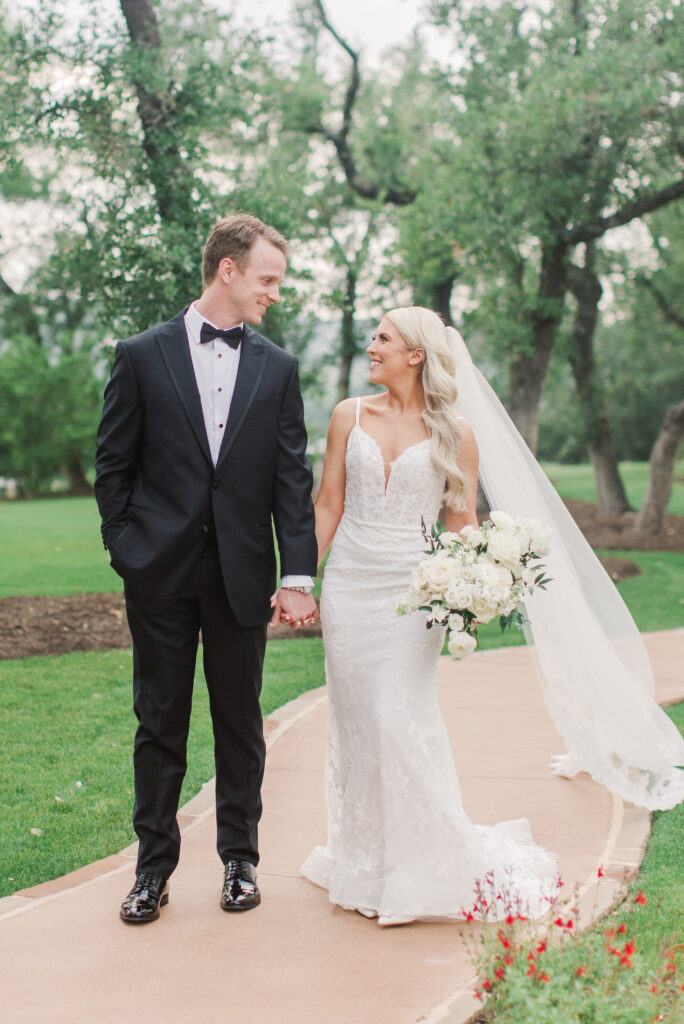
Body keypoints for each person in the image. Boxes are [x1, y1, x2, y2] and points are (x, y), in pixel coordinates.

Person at [301, 305, 684, 926]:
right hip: (350, 586)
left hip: (414, 591)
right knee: (357, 723)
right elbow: (328, 502)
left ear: (416, 354)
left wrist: (469, 586)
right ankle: (364, 859)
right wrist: (297, 581)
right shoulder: (349, 414)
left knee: (397, 717)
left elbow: (460, 520)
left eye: (384, 338)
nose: (371, 346)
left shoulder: (456, 430)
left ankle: (431, 861)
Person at [95, 213, 318, 924]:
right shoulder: (139, 354)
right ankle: (151, 870)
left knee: (239, 722)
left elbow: (291, 479)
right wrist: (126, 548)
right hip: (157, 573)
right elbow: (112, 465)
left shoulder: (279, 368)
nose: (274, 293)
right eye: (267, 279)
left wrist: (298, 575)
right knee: (159, 721)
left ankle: (240, 863)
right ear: (228, 270)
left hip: (242, 574)